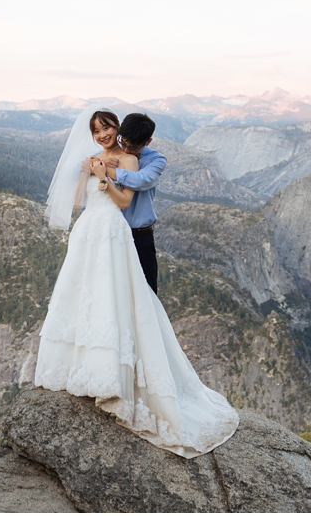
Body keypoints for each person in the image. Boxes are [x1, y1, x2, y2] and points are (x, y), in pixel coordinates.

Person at [34, 109, 239, 459]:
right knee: (91, 299)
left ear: (124, 132)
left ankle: (140, 378)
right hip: (91, 233)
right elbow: (79, 202)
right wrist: (87, 173)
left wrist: (105, 174)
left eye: (108, 129)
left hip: (131, 237)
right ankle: (91, 368)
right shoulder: (94, 158)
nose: (104, 135)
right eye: (97, 130)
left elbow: (132, 191)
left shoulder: (146, 160)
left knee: (140, 306)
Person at [100, 113, 166, 293]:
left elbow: (141, 180)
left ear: (148, 141)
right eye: (124, 143)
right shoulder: (110, 154)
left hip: (139, 236)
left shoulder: (156, 160)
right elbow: (80, 167)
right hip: (112, 233)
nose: (127, 150)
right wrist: (98, 162)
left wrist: (105, 170)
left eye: (133, 147)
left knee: (146, 291)